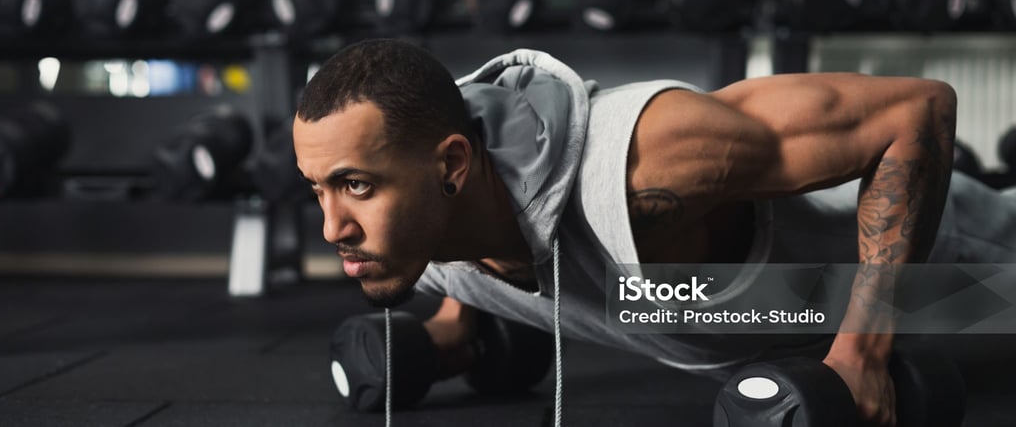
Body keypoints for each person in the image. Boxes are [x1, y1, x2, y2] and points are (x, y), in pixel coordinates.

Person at [293, 39, 1015, 426]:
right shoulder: (413, 230)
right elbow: (501, 236)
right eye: (317, 188)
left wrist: (862, 351)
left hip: (963, 272)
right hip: (774, 317)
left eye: (356, 185)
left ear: (452, 165)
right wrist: (458, 328)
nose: (332, 227)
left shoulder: (646, 163)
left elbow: (916, 109)